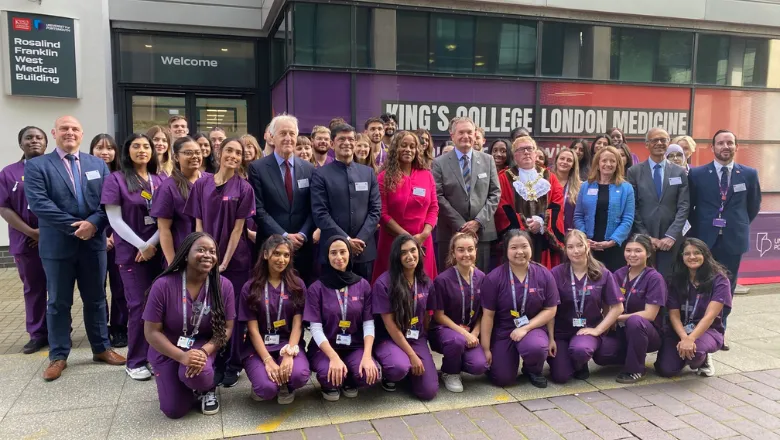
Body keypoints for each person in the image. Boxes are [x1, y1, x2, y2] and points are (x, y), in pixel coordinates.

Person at [25, 116, 126, 381]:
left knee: (96, 299)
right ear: (54, 132)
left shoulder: (97, 165)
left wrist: (93, 224)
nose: (70, 133)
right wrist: (77, 227)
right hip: (57, 246)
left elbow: (107, 202)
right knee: (58, 301)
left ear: (81, 134)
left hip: (93, 245)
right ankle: (58, 355)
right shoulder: (38, 166)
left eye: (75, 129)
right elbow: (39, 204)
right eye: (64, 129)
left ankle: (101, 348)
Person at [185, 137, 256, 387]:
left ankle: (233, 364)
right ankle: (214, 358)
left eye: (238, 153)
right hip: (205, 259)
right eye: (229, 151)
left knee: (231, 315)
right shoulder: (201, 184)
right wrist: (203, 256)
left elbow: (238, 230)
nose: (233, 156)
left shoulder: (245, 189)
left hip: (234, 261)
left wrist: (223, 262)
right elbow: (198, 224)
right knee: (210, 312)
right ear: (219, 152)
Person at [143, 232, 235, 418]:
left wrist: (204, 351)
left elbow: (227, 328)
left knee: (198, 376)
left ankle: (206, 388)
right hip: (168, 347)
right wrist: (182, 357)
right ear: (185, 254)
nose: (208, 255)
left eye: (212, 251)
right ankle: (180, 384)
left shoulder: (223, 286)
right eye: (201, 250)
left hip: (202, 346)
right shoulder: (163, 285)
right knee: (174, 410)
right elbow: (151, 332)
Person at [687, 130, 761, 350]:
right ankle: (699, 327)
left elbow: (753, 206)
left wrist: (736, 223)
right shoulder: (697, 174)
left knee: (726, 286)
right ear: (713, 147)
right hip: (703, 240)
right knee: (701, 284)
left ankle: (720, 331)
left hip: (733, 239)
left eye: (730, 142)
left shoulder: (748, 174)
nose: (725, 146)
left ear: (736, 147)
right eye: (720, 143)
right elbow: (690, 206)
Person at [102, 133, 165, 381]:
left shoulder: (160, 179)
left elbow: (167, 217)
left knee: (158, 306)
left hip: (158, 251)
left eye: (146, 146)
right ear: (127, 151)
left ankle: (155, 356)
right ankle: (136, 360)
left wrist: (152, 244)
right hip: (132, 255)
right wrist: (141, 245)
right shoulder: (116, 180)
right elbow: (114, 220)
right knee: (138, 305)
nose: (142, 150)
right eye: (136, 146)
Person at [303, 236, 380, 401]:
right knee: (328, 375)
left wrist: (367, 356)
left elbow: (368, 324)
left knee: (369, 374)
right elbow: (315, 329)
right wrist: (334, 357)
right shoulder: (316, 288)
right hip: (326, 348)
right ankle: (331, 382)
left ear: (350, 254)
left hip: (354, 345)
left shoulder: (363, 285)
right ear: (326, 256)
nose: (339, 257)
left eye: (343, 252)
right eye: (333, 253)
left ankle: (350, 378)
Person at [480, 230, 559, 388]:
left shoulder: (544, 274)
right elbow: (488, 316)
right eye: (514, 247)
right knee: (503, 379)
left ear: (531, 247)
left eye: (524, 246)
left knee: (536, 348)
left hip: (533, 327)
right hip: (504, 330)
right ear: (506, 250)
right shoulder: (494, 278)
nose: (520, 252)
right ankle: (502, 361)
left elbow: (550, 310)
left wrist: (548, 337)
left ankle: (532, 370)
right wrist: (486, 349)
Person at [241, 235, 310, 404]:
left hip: (287, 343)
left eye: (286, 255)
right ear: (266, 254)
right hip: (259, 347)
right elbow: (252, 330)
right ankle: (267, 381)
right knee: (266, 389)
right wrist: (267, 360)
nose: (282, 259)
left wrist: (289, 354)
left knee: (300, 375)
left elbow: (297, 324)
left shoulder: (297, 285)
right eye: (277, 254)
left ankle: (286, 383)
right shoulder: (250, 287)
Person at [547, 230, 624, 384]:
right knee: (560, 376)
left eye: (579, 245)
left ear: (587, 246)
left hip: (587, 330)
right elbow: (549, 308)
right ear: (565, 249)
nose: (576, 251)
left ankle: (580, 361)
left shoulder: (602, 273)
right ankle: (566, 360)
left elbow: (617, 307)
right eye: (570, 247)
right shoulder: (556, 273)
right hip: (561, 332)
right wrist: (550, 338)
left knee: (580, 350)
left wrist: (598, 330)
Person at [248, 114, 316, 284]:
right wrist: (284, 236)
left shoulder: (308, 168)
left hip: (302, 247)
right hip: (271, 247)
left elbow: (314, 207)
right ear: (272, 137)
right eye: (283, 133)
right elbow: (258, 209)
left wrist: (303, 234)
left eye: (292, 134)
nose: (288, 138)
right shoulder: (257, 168)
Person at [312, 123, 381, 281]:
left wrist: (360, 240)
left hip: (363, 250)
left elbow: (375, 210)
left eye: (351, 139)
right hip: (333, 250)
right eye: (341, 139)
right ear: (332, 144)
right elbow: (320, 213)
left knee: (363, 298)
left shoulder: (368, 173)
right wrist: (346, 241)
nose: (347, 143)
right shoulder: (320, 175)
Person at [0, 126, 48, 354]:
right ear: (21, 144)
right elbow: (4, 207)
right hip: (25, 242)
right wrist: (32, 232)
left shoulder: (55, 168)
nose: (34, 141)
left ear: (46, 143)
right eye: (29, 138)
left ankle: (60, 330)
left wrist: (47, 232)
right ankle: (37, 333)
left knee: (59, 288)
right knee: (34, 288)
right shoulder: (9, 173)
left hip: (55, 239)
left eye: (39, 138)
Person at [594, 234, 666, 383]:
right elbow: (608, 303)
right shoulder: (618, 274)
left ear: (649, 253)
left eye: (638, 251)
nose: (632, 255)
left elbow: (650, 314)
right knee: (601, 355)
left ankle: (636, 369)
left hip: (646, 331)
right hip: (620, 331)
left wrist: (615, 317)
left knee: (635, 321)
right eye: (628, 250)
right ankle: (629, 356)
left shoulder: (655, 278)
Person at [373, 235, 438, 400]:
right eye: (403, 253)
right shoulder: (384, 283)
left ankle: (410, 374)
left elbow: (426, 316)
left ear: (419, 252)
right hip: (389, 338)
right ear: (396, 257)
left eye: (413, 250)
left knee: (428, 391)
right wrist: (412, 355)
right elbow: (390, 325)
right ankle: (392, 373)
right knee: (398, 367)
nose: (410, 256)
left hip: (415, 336)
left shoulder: (425, 281)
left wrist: (422, 348)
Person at [655, 238, 732, 378]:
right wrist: (684, 337)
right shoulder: (675, 279)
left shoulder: (720, 280)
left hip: (707, 330)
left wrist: (692, 339)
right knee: (666, 370)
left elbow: (710, 315)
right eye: (687, 254)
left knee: (696, 353)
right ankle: (683, 355)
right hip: (678, 331)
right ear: (681, 257)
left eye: (697, 253)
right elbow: (674, 315)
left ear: (705, 255)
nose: (692, 257)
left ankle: (703, 360)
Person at [433, 117, 500, 273]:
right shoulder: (439, 163)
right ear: (452, 136)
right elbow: (438, 196)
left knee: (479, 281)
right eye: (461, 132)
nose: (466, 136)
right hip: (450, 231)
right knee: (449, 282)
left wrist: (478, 222)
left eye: (469, 132)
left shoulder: (488, 160)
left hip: (481, 233)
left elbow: (495, 193)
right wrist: (460, 224)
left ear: (475, 134)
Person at [374, 131, 439, 282]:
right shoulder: (384, 177)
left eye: (412, 146)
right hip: (393, 241)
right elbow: (382, 214)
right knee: (393, 285)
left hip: (422, 241)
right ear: (395, 148)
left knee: (423, 285)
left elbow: (434, 207)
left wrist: (424, 234)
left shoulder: (427, 175)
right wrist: (408, 239)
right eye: (403, 146)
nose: (408, 150)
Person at [429, 232, 488, 392]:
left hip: (470, 332)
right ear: (453, 253)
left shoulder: (482, 278)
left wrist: (474, 333)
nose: (466, 254)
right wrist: (464, 334)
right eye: (461, 250)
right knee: (456, 341)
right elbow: (438, 315)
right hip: (445, 331)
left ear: (476, 250)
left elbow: (484, 312)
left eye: (470, 249)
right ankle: (450, 372)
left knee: (479, 366)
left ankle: (457, 358)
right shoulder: (442, 280)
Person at [626, 127, 689, 276]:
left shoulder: (679, 172)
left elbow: (684, 206)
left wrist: (671, 236)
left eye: (664, 140)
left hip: (671, 240)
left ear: (668, 143)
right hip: (643, 238)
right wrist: (646, 237)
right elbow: (632, 207)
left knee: (671, 282)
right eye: (655, 140)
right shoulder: (634, 172)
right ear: (647, 144)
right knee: (644, 280)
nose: (659, 143)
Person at [495, 136, 565, 269]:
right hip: (516, 241)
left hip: (543, 240)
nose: (526, 152)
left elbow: (558, 205)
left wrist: (542, 221)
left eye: (529, 149)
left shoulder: (550, 177)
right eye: (521, 149)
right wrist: (522, 223)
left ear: (535, 152)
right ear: (514, 155)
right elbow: (501, 207)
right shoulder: (504, 178)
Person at [90, 134, 128, 347]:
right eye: (99, 148)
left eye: (109, 148)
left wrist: (114, 235)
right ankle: (100, 328)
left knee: (120, 287)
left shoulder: (122, 176)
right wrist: (101, 236)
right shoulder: (86, 175)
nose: (105, 152)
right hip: (94, 238)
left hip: (119, 239)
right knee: (96, 287)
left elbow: (126, 210)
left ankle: (120, 327)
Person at [574, 146, 635, 272]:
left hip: (615, 248)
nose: (608, 164)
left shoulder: (626, 188)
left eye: (612, 161)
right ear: (597, 163)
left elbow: (628, 219)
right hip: (589, 246)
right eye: (604, 160)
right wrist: (585, 238)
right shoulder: (585, 186)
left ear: (618, 164)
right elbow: (578, 215)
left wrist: (612, 241)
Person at [152, 136, 205, 267]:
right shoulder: (168, 187)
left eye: (198, 152)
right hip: (182, 253)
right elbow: (164, 228)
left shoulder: (211, 181)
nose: (194, 156)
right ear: (176, 157)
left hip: (209, 252)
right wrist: (172, 262)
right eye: (188, 153)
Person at [552, 148, 581, 233]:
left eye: (569, 160)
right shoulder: (545, 182)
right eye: (562, 158)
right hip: (546, 232)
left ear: (573, 165)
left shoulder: (579, 187)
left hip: (569, 233)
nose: (564, 162)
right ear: (556, 160)